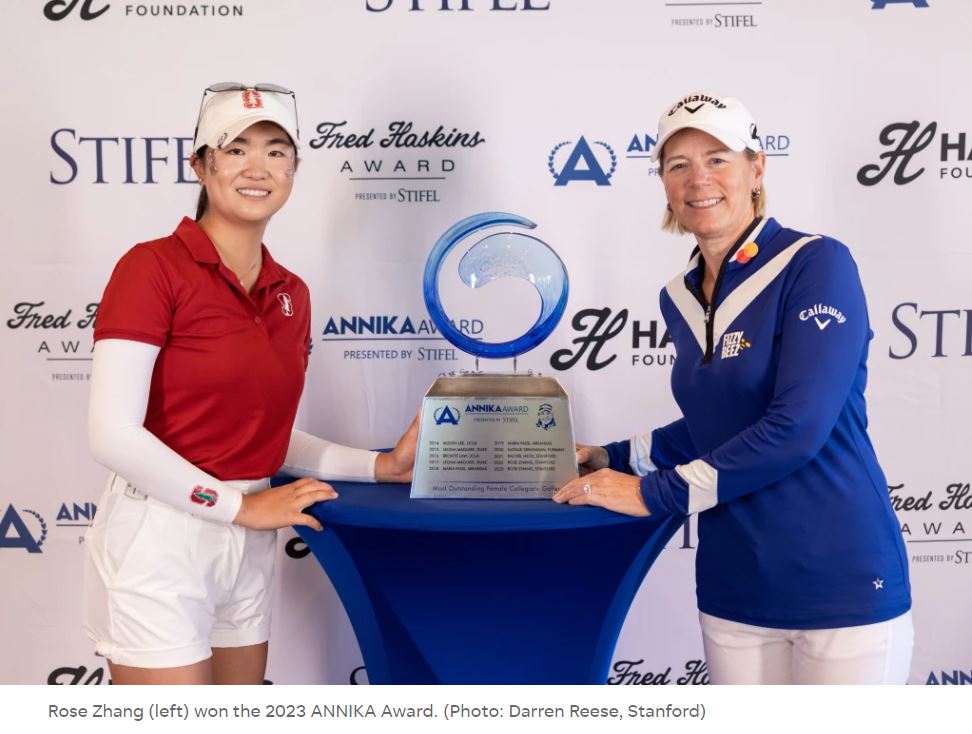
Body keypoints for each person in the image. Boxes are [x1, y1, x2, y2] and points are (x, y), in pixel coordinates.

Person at [554, 92, 913, 684]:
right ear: (665, 186)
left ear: (757, 169)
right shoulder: (678, 296)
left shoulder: (814, 262)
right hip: (734, 586)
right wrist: (610, 458)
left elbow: (796, 427)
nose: (699, 179)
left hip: (840, 582)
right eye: (678, 165)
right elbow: (714, 423)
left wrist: (652, 494)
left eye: (718, 158)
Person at [83, 82, 418, 685]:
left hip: (248, 539)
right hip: (164, 535)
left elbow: (268, 436)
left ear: (294, 169)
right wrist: (240, 508)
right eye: (235, 150)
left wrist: (382, 466)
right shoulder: (151, 267)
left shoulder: (292, 291)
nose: (257, 168)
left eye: (276, 150)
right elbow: (112, 435)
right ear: (201, 165)